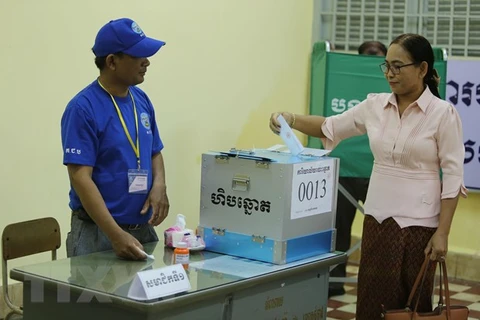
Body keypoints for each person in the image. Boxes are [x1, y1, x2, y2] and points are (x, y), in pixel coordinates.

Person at [269, 34, 466, 320]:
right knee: (373, 304)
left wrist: (443, 233)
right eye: (386, 66)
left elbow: (452, 174)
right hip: (377, 221)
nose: (390, 74)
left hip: (420, 227)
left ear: (422, 69)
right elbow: (329, 126)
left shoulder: (442, 114)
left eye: (398, 66)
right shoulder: (375, 106)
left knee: (412, 306)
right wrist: (291, 119)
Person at [61, 18, 170, 260]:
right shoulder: (83, 108)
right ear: (112, 61)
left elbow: (155, 151)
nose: (147, 62)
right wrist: (115, 234)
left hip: (141, 230)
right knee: (94, 299)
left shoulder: (141, 100)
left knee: (146, 298)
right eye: (138, 55)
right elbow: (80, 177)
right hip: (99, 234)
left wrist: (160, 185)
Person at [328, 40, 388, 298]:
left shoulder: (391, 92)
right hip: (345, 173)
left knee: (385, 234)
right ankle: (334, 282)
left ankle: (381, 287)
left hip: (383, 174)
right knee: (339, 231)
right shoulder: (345, 83)